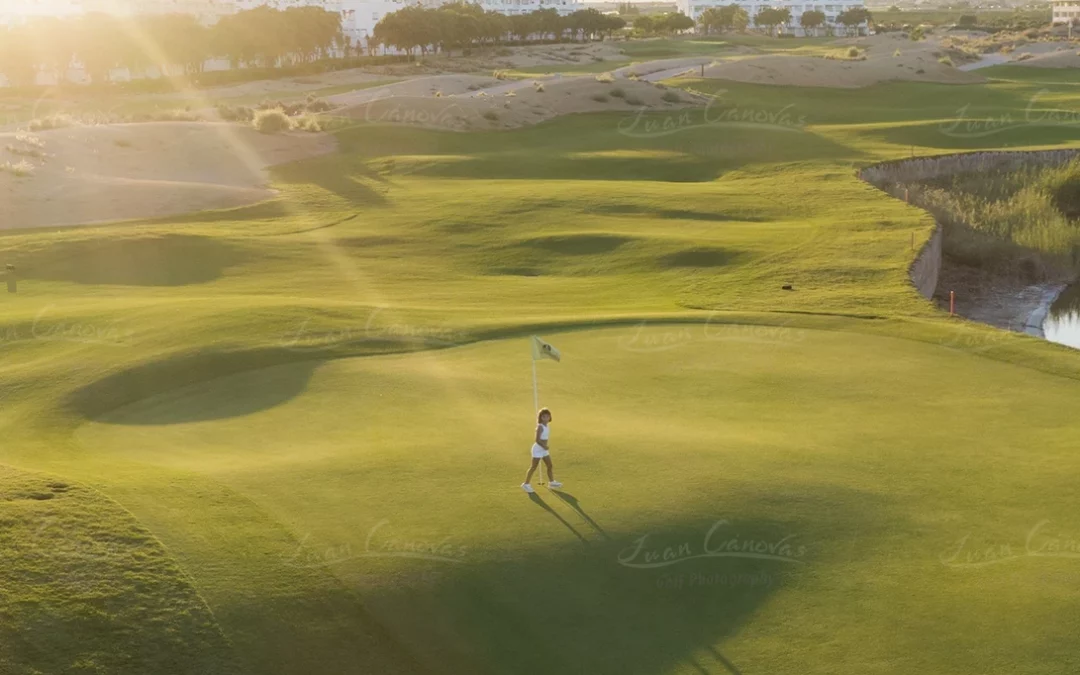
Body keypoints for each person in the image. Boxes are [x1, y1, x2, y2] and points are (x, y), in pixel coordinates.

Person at [522, 408, 561, 492]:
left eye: (547, 416)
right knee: (533, 467)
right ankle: (526, 484)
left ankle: (551, 482)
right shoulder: (540, 427)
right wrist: (544, 446)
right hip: (538, 449)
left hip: (543, 449)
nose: (546, 418)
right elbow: (537, 440)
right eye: (544, 417)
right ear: (541, 418)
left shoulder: (547, 426)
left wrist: (544, 447)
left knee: (550, 465)